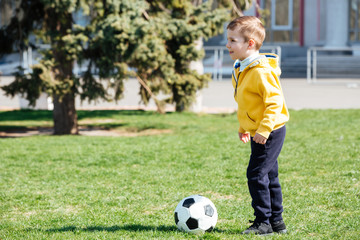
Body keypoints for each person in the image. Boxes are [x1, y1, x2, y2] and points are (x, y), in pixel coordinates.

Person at [226, 16, 290, 235]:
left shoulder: (261, 71)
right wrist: (245, 127)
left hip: (269, 130)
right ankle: (277, 223)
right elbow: (249, 103)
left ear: (249, 43)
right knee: (269, 176)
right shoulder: (243, 66)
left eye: (233, 40)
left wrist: (263, 130)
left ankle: (263, 223)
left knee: (256, 174)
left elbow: (275, 103)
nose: (228, 45)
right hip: (259, 130)